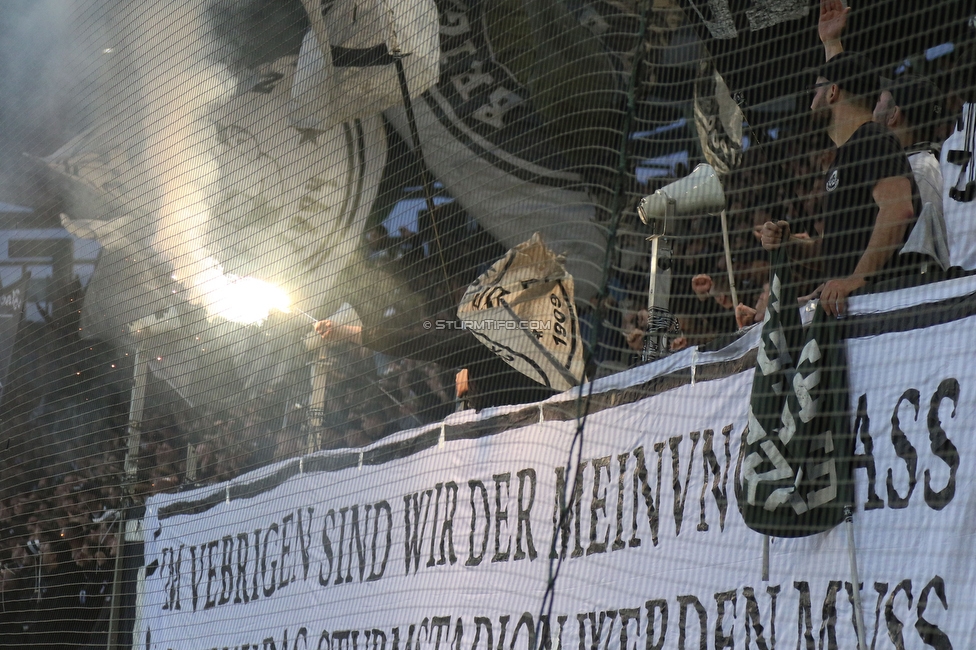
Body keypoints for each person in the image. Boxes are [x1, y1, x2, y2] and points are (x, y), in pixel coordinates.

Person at [761, 49, 919, 317]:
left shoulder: (872, 138)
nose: (812, 100)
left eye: (816, 90)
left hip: (876, 310)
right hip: (854, 311)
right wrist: (788, 243)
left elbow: (897, 210)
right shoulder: (846, 154)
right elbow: (835, 248)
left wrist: (856, 279)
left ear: (832, 91)